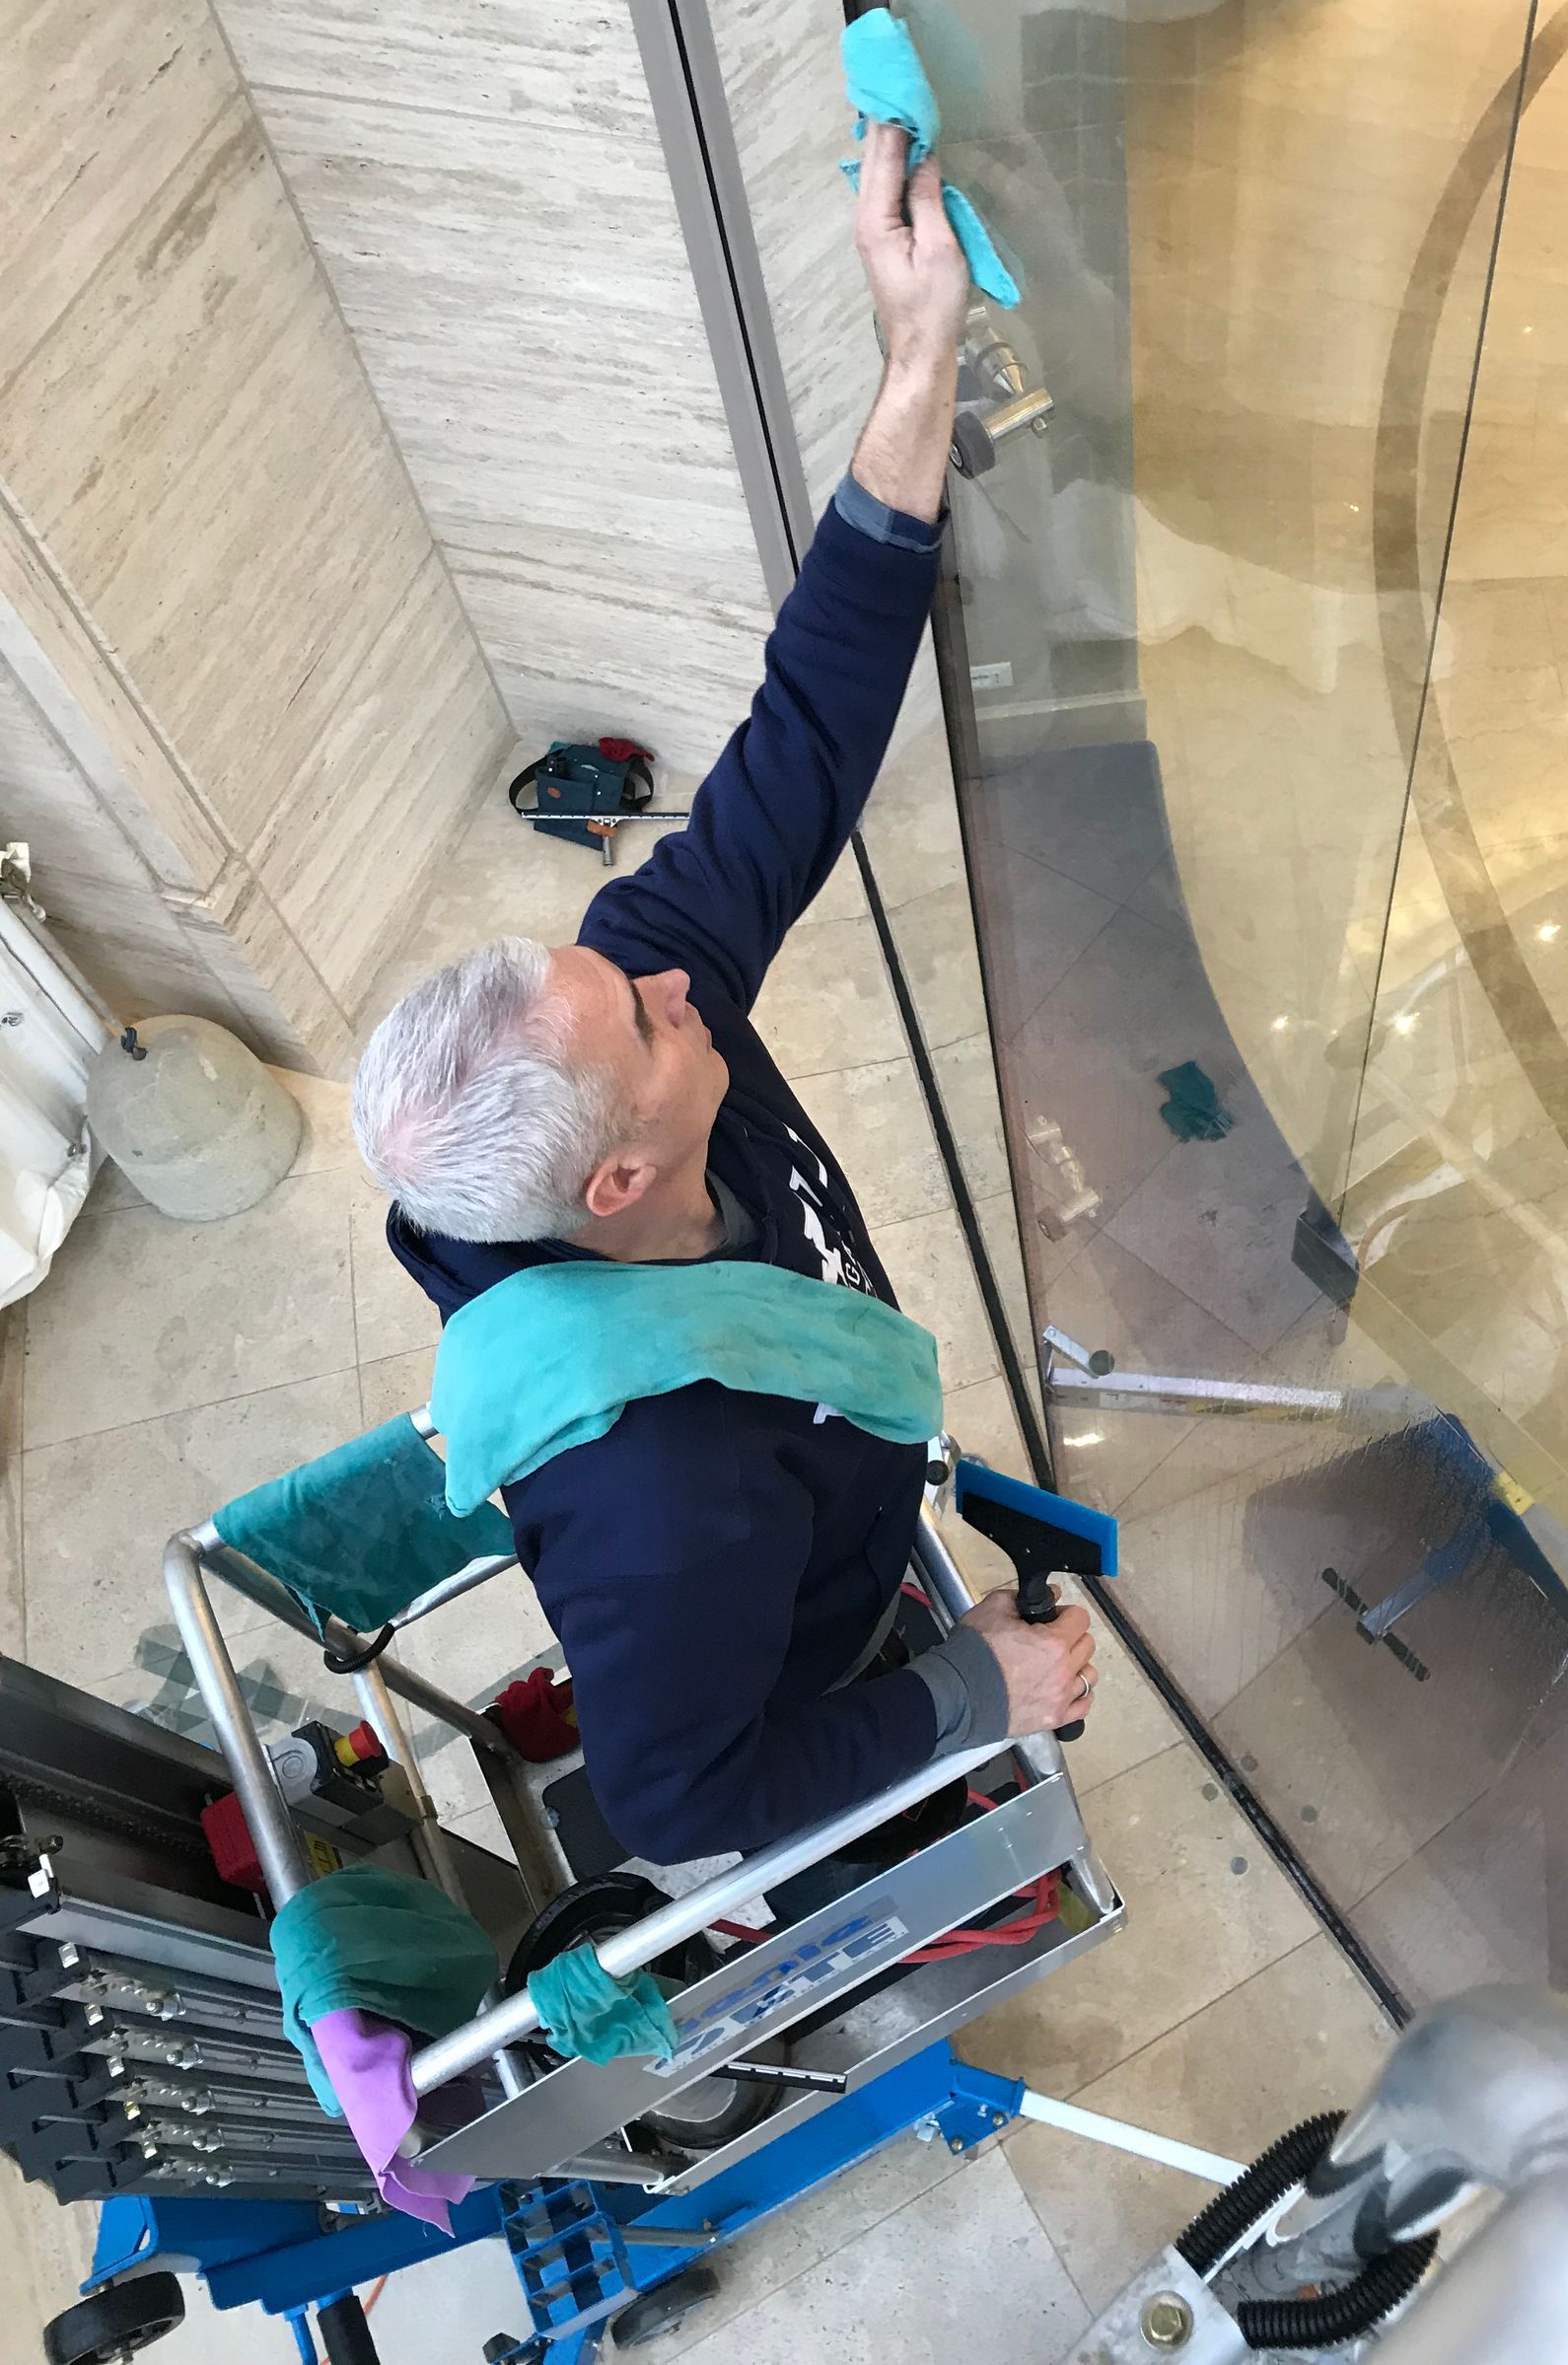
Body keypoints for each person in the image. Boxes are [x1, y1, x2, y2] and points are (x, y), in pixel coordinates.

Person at [352, 120, 1096, 1868]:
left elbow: (805, 737)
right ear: (612, 1183)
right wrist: (977, 1695)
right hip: (802, 1638)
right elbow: (690, 1799)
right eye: (651, 1021)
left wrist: (916, 360)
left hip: (823, 1460)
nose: (681, 976)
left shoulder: (633, 1000)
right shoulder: (656, 1501)